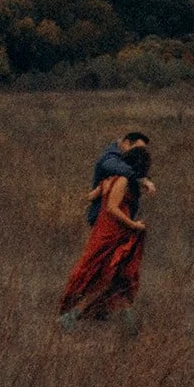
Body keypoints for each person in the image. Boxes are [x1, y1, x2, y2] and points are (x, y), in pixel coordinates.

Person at [60, 145, 151, 333]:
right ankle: (73, 315)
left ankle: (129, 325)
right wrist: (134, 225)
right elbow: (112, 207)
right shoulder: (123, 180)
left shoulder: (110, 180)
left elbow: (90, 196)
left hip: (105, 231)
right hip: (114, 233)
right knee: (110, 275)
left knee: (115, 274)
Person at [87, 132, 155, 226]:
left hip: (121, 218)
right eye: (137, 149)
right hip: (104, 219)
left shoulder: (125, 162)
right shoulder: (110, 158)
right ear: (126, 143)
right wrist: (143, 180)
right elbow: (116, 167)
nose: (139, 153)